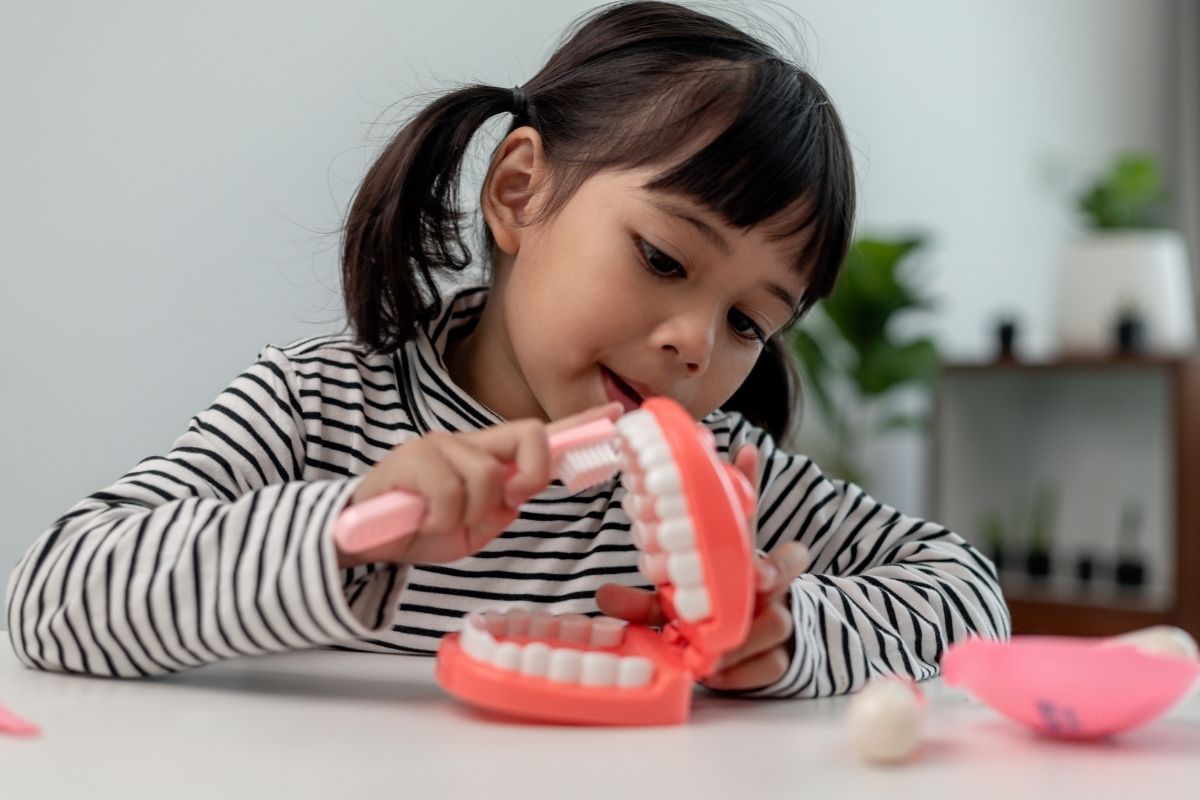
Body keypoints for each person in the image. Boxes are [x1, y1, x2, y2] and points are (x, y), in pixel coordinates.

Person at [5, 1, 1008, 697]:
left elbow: (968, 595)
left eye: (751, 321)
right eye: (663, 257)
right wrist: (345, 529)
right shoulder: (317, 407)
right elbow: (49, 594)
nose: (693, 343)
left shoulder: (727, 475)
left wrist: (790, 634)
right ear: (519, 191)